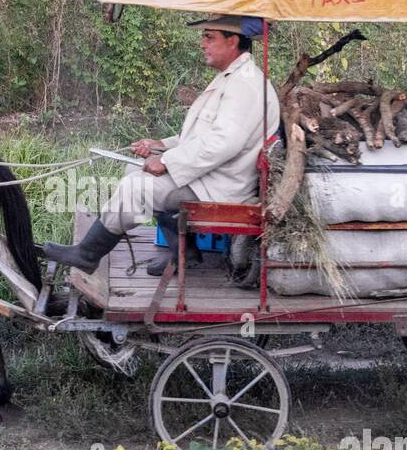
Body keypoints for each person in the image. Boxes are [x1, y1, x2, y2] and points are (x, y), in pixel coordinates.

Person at [43, 14, 280, 275]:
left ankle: (87, 255)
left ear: (232, 41)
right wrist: (160, 145)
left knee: (135, 187)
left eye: (209, 37)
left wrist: (167, 161)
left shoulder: (245, 85)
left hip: (221, 188)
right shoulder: (233, 78)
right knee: (134, 171)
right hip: (212, 178)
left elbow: (222, 143)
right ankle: (186, 254)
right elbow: (202, 136)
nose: (203, 44)